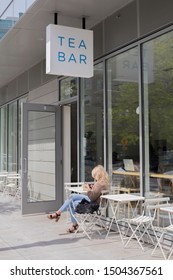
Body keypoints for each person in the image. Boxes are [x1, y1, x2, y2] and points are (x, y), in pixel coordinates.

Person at [47, 165, 110, 233]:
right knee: (71, 198)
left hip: (93, 204)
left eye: (94, 175)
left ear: (98, 174)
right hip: (97, 203)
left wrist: (88, 189)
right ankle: (61, 216)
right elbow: (96, 193)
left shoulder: (99, 184)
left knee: (71, 200)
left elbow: (92, 197)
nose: (94, 177)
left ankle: (65, 218)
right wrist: (92, 188)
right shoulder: (104, 183)